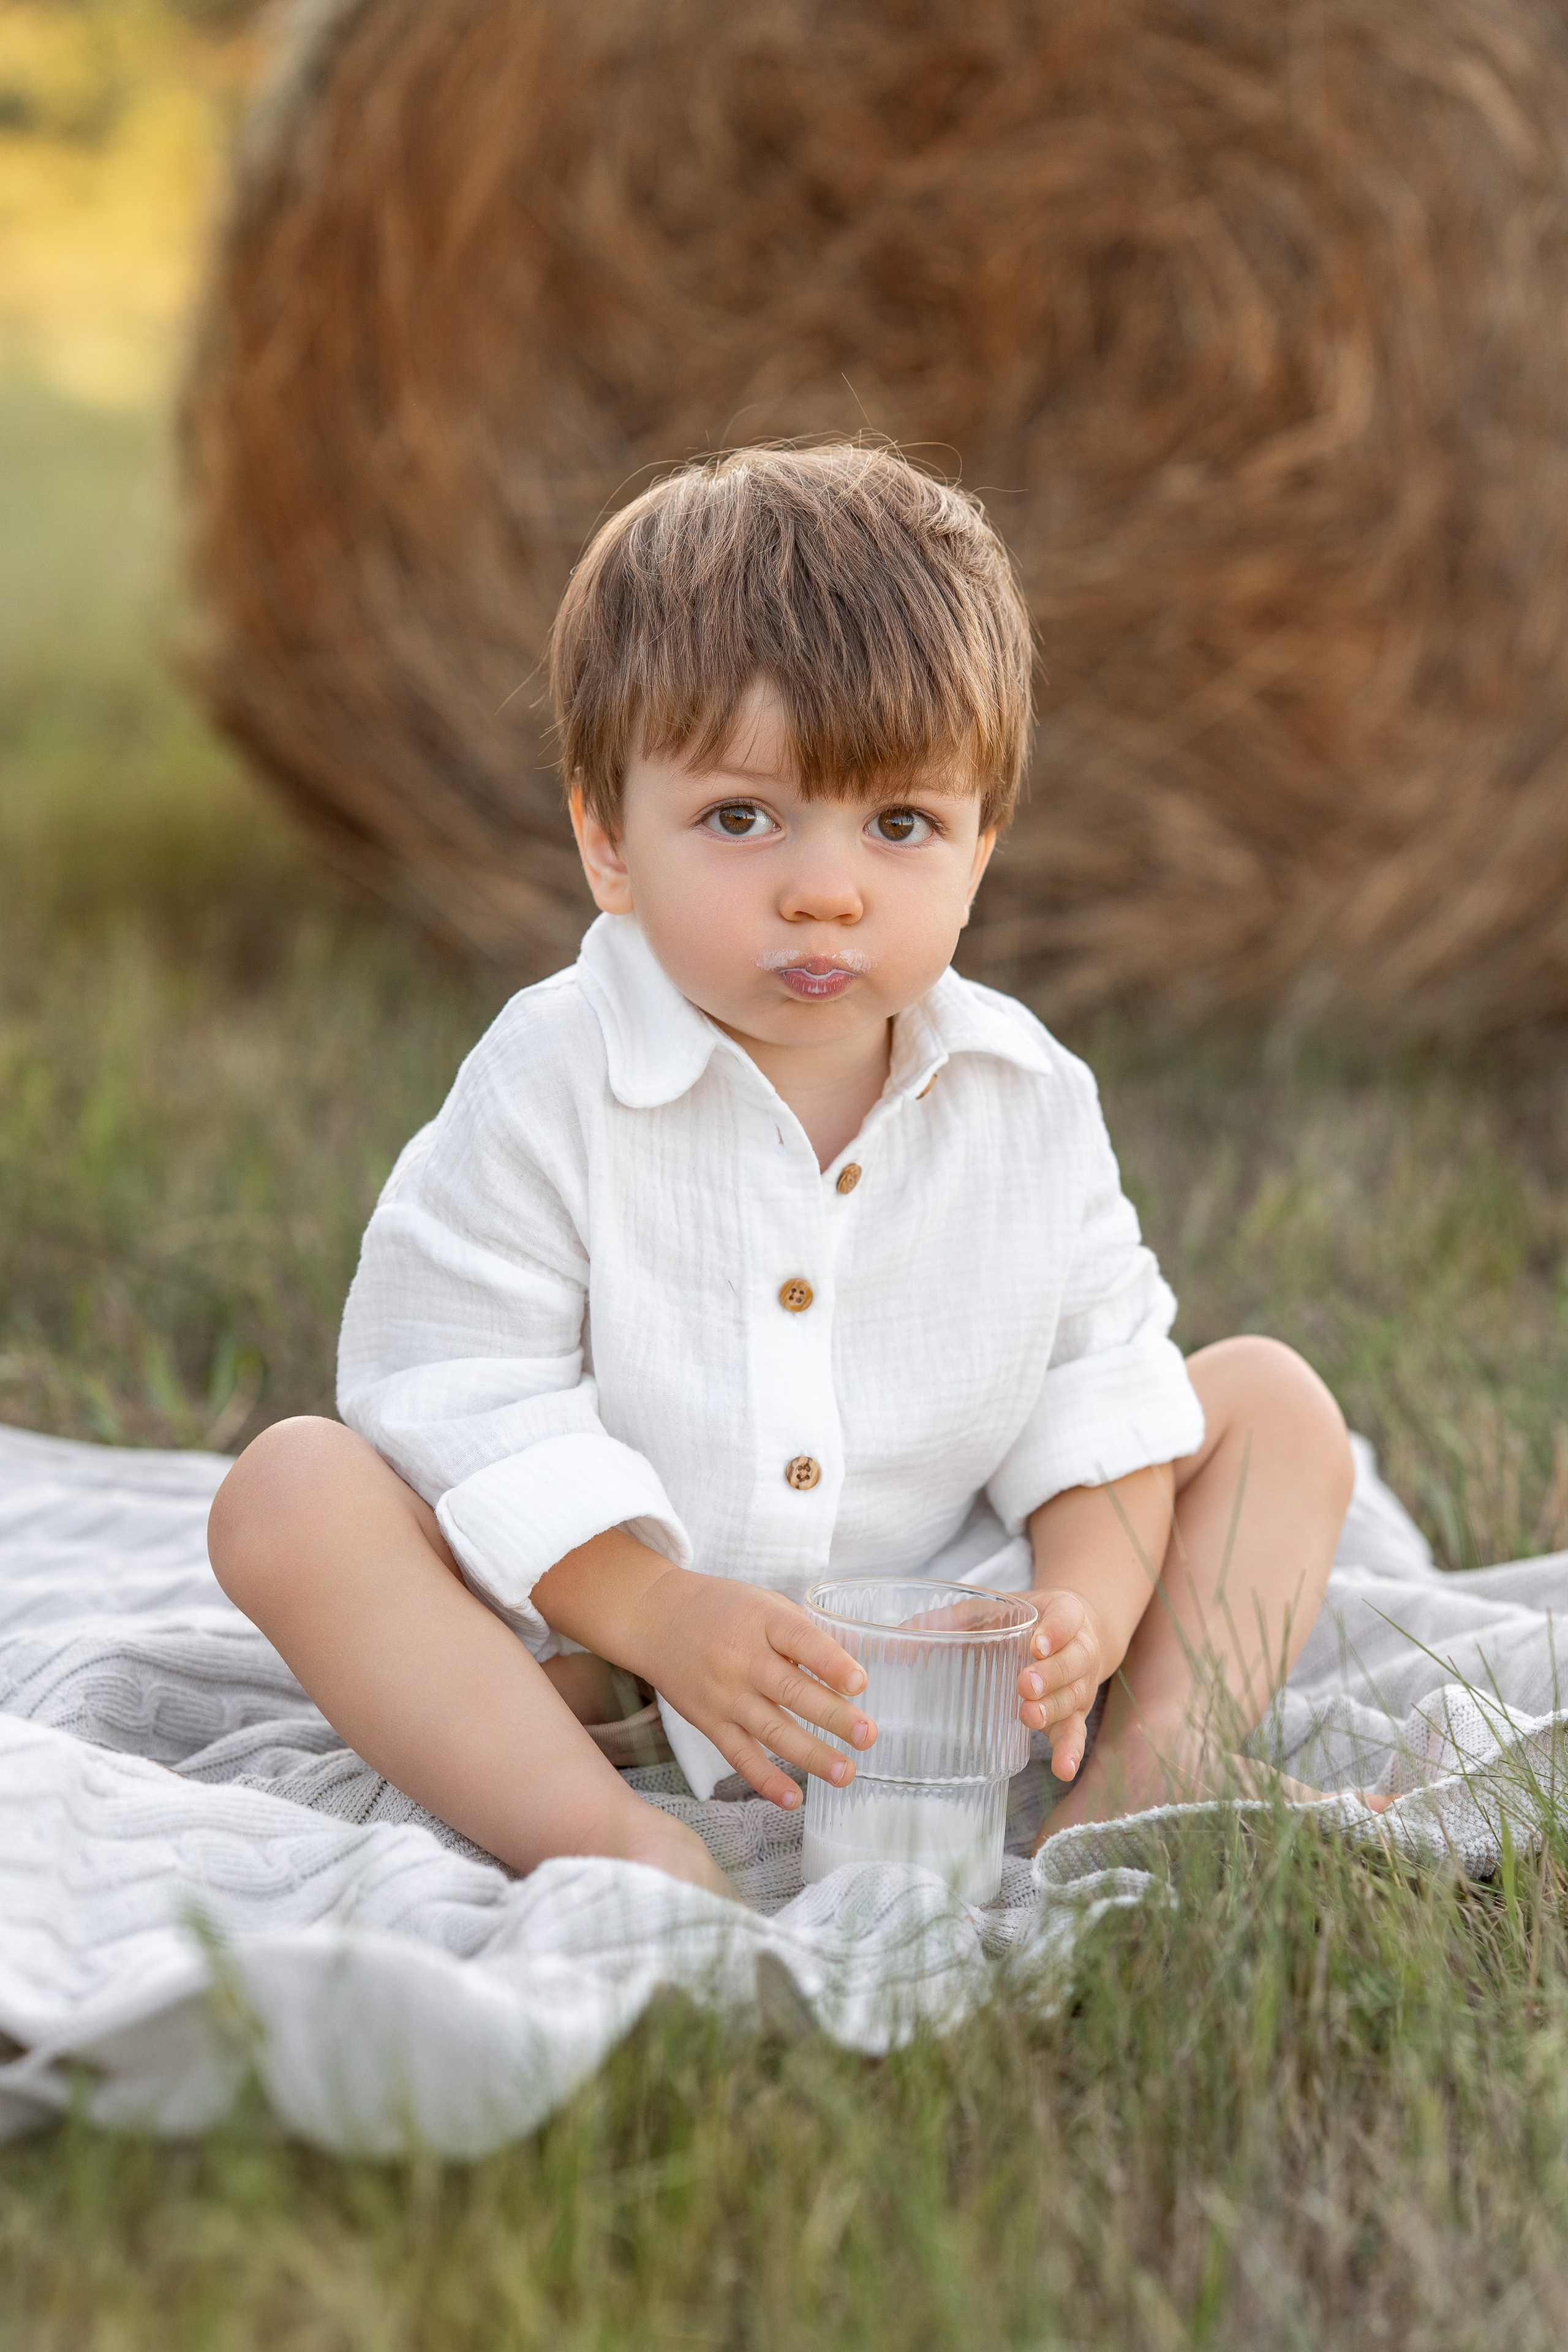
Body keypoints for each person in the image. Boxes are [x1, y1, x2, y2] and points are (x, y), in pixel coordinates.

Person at [208, 444, 1355, 1900]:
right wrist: (657, 1612)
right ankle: (606, 1834)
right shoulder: (552, 1077)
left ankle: (1143, 1765)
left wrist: (1085, 1607)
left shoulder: (1025, 1096)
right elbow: (453, 1391)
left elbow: (1100, 1391)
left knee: (1269, 1404)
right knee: (293, 1491)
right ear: (604, 837)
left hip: (944, 1659)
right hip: (606, 1654)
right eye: (741, 818)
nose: (825, 885)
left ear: (981, 848)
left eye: (899, 824)